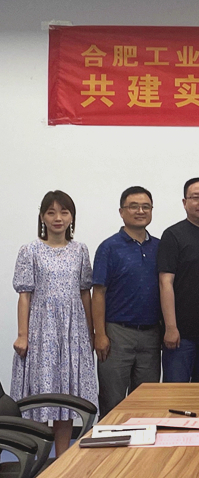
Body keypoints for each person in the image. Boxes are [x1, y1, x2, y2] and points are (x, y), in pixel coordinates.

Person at [11, 190, 97, 456]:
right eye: (51, 212)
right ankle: (37, 460)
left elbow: (85, 293)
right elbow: (25, 295)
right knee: (41, 395)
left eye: (64, 212)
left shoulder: (80, 250)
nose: (58, 218)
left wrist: (90, 332)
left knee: (66, 399)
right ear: (42, 217)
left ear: (72, 217)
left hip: (73, 331)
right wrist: (22, 334)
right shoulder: (30, 250)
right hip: (42, 329)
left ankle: (62, 462)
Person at [92, 186, 161, 417]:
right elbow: (98, 293)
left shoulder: (160, 247)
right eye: (133, 206)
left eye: (146, 207)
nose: (140, 211)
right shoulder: (109, 248)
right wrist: (99, 334)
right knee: (112, 402)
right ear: (121, 212)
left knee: (147, 404)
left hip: (151, 335)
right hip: (117, 335)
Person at [157, 177, 199, 382]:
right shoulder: (173, 235)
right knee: (175, 393)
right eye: (196, 197)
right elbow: (165, 283)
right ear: (184, 202)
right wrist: (171, 327)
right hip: (181, 334)